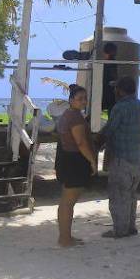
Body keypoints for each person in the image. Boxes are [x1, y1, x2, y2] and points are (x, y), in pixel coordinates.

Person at [100, 75, 140, 239]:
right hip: (136, 157)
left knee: (119, 195)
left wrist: (96, 140)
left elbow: (110, 129)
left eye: (116, 88)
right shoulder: (137, 104)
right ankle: (131, 227)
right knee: (131, 194)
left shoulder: (119, 107)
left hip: (121, 158)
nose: (114, 90)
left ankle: (119, 230)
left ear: (120, 90)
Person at [54, 84, 97, 248]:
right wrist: (92, 160)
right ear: (71, 100)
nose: (83, 101)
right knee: (68, 202)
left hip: (66, 159)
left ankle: (65, 237)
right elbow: (80, 142)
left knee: (66, 201)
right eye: (80, 99)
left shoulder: (67, 114)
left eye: (85, 98)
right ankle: (64, 239)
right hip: (74, 160)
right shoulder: (75, 118)